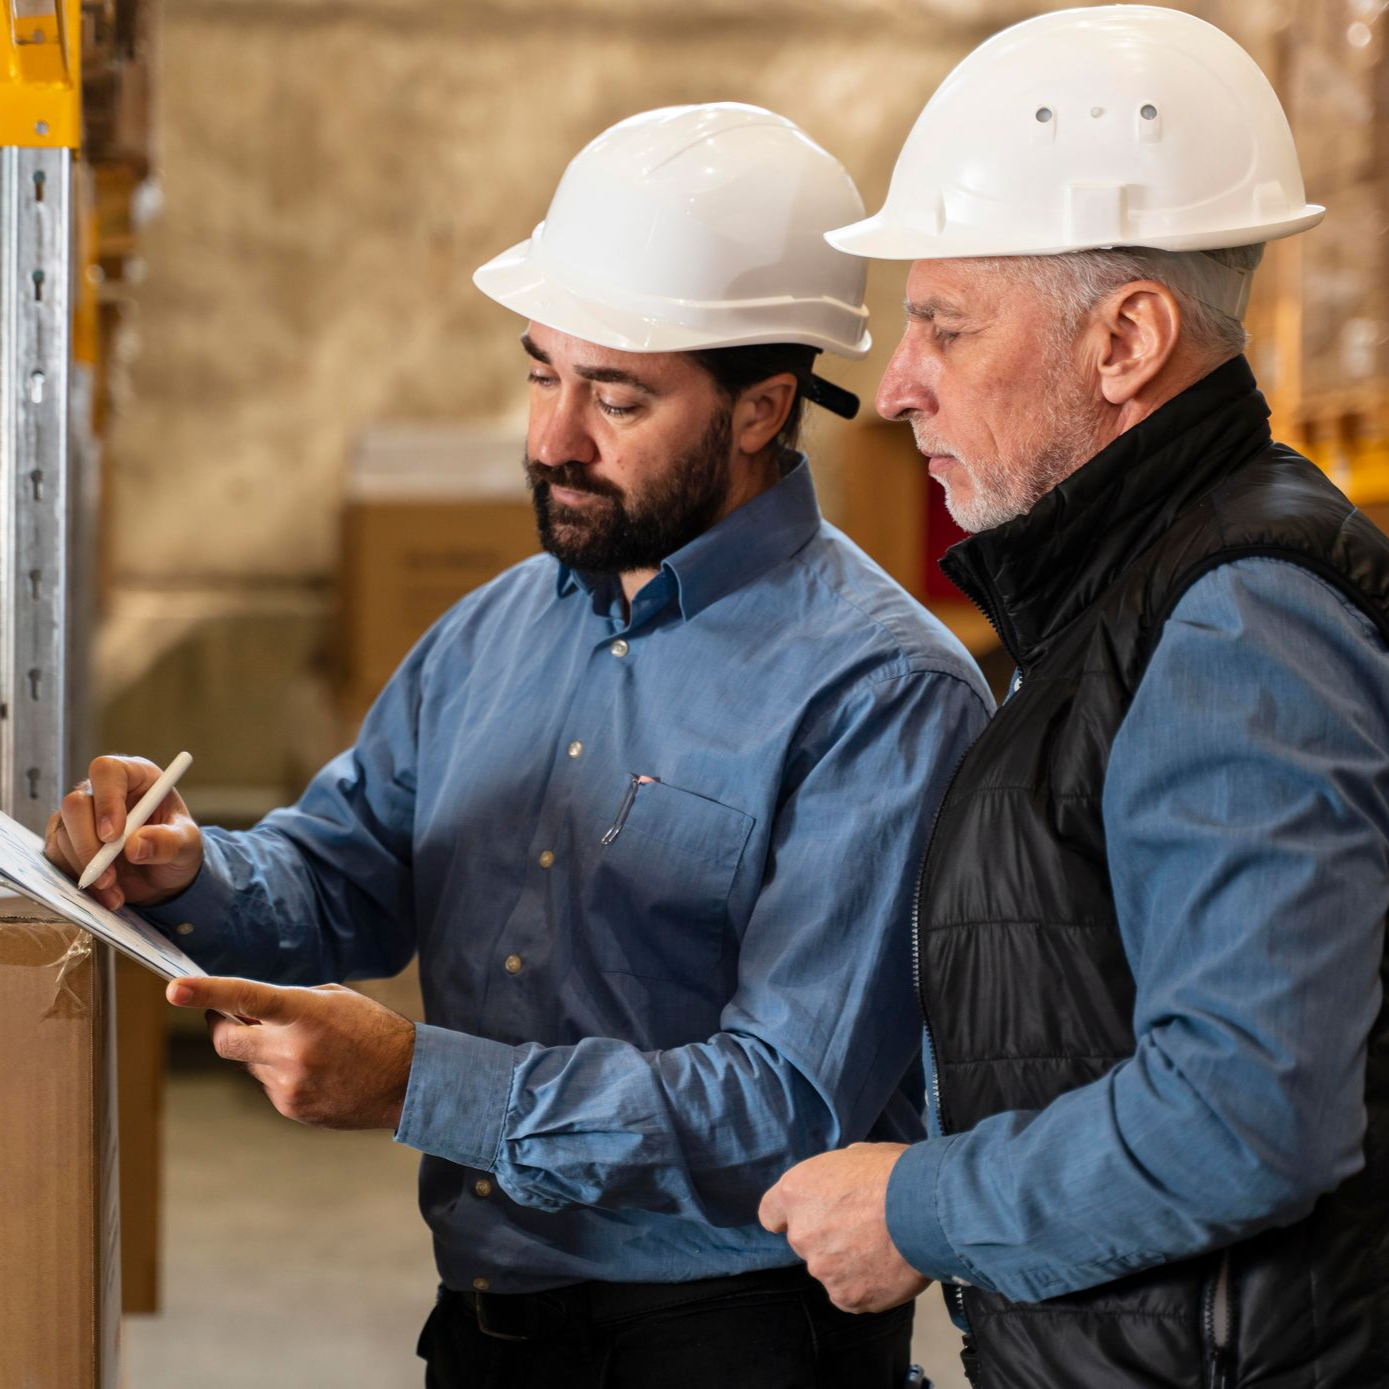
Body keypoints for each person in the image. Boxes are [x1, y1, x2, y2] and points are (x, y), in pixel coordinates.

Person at [47, 104, 991, 1388]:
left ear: (765, 406)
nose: (553, 441)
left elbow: (786, 1102)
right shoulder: (496, 629)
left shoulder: (881, 691)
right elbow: (346, 869)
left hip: (740, 1344)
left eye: (616, 397)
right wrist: (191, 870)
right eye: (542, 372)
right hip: (488, 1326)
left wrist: (418, 1084)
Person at [758, 8, 1389, 1388]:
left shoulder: (1237, 620)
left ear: (1126, 340)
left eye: (945, 327)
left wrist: (916, 1207)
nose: (898, 388)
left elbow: (1246, 1112)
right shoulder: (1124, 591)